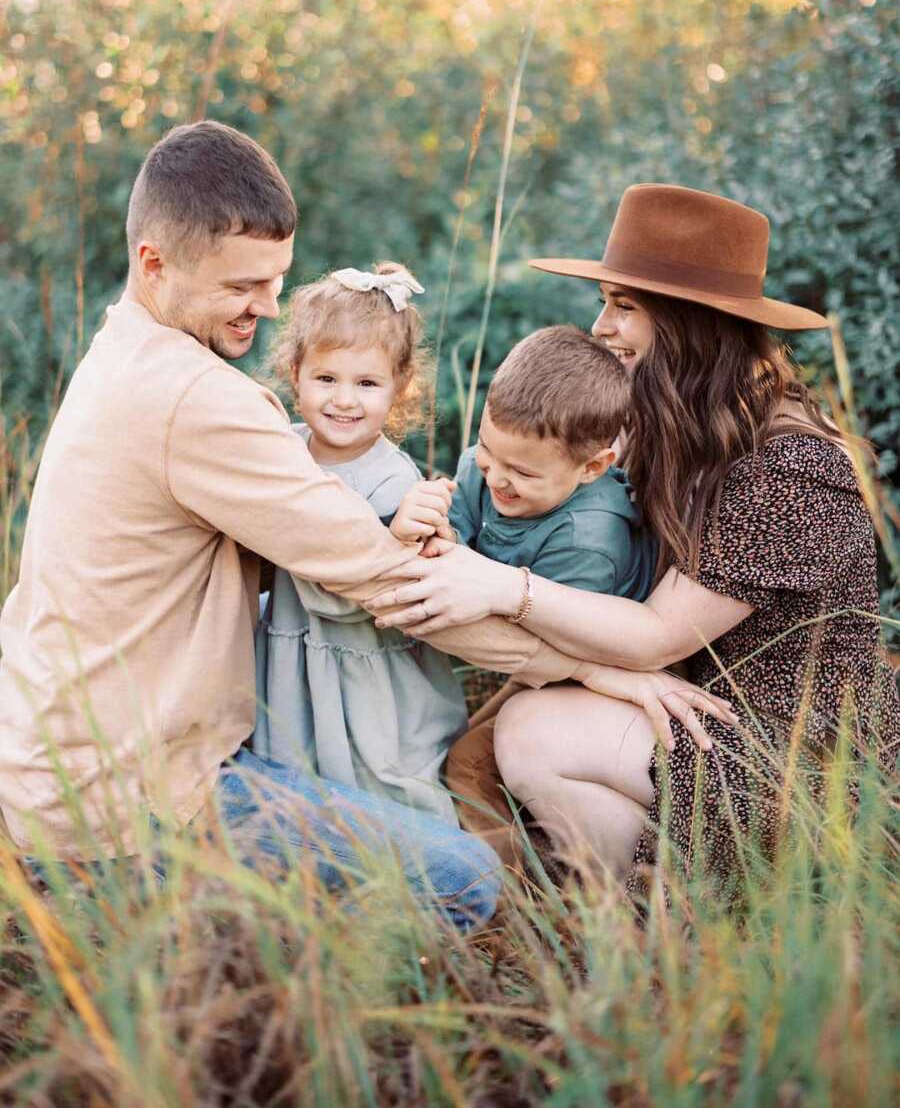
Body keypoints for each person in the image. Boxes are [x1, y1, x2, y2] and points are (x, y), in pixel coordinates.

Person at [0, 128, 727, 931]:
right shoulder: (195, 399)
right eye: (244, 285)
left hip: (63, 761)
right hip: (130, 800)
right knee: (463, 878)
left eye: (277, 281)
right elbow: (397, 586)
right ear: (155, 263)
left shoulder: (119, 352)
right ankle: (243, 946)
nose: (269, 308)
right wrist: (596, 670)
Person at [365, 183, 900, 891]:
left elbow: (655, 636)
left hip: (802, 757)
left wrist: (502, 586)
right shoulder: (666, 423)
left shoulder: (789, 467)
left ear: (689, 322)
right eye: (603, 303)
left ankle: (696, 911)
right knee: (498, 741)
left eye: (626, 307)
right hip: (695, 710)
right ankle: (627, 895)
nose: (603, 327)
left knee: (532, 732)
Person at [414, 325, 657, 857]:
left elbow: (552, 653)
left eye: (521, 472)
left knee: (470, 763)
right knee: (450, 746)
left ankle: (502, 893)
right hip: (532, 652)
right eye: (487, 455)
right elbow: (452, 532)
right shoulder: (493, 465)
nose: (497, 480)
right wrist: (437, 531)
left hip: (591, 670)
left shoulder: (587, 540)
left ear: (593, 467)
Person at [252, 261, 467, 824]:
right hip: (295, 645)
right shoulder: (284, 450)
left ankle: (409, 871)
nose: (343, 400)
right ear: (294, 373)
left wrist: (391, 539)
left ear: (400, 388)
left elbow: (383, 594)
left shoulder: (394, 481)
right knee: (296, 763)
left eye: (367, 383)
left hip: (361, 664)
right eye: (326, 378)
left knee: (372, 775)